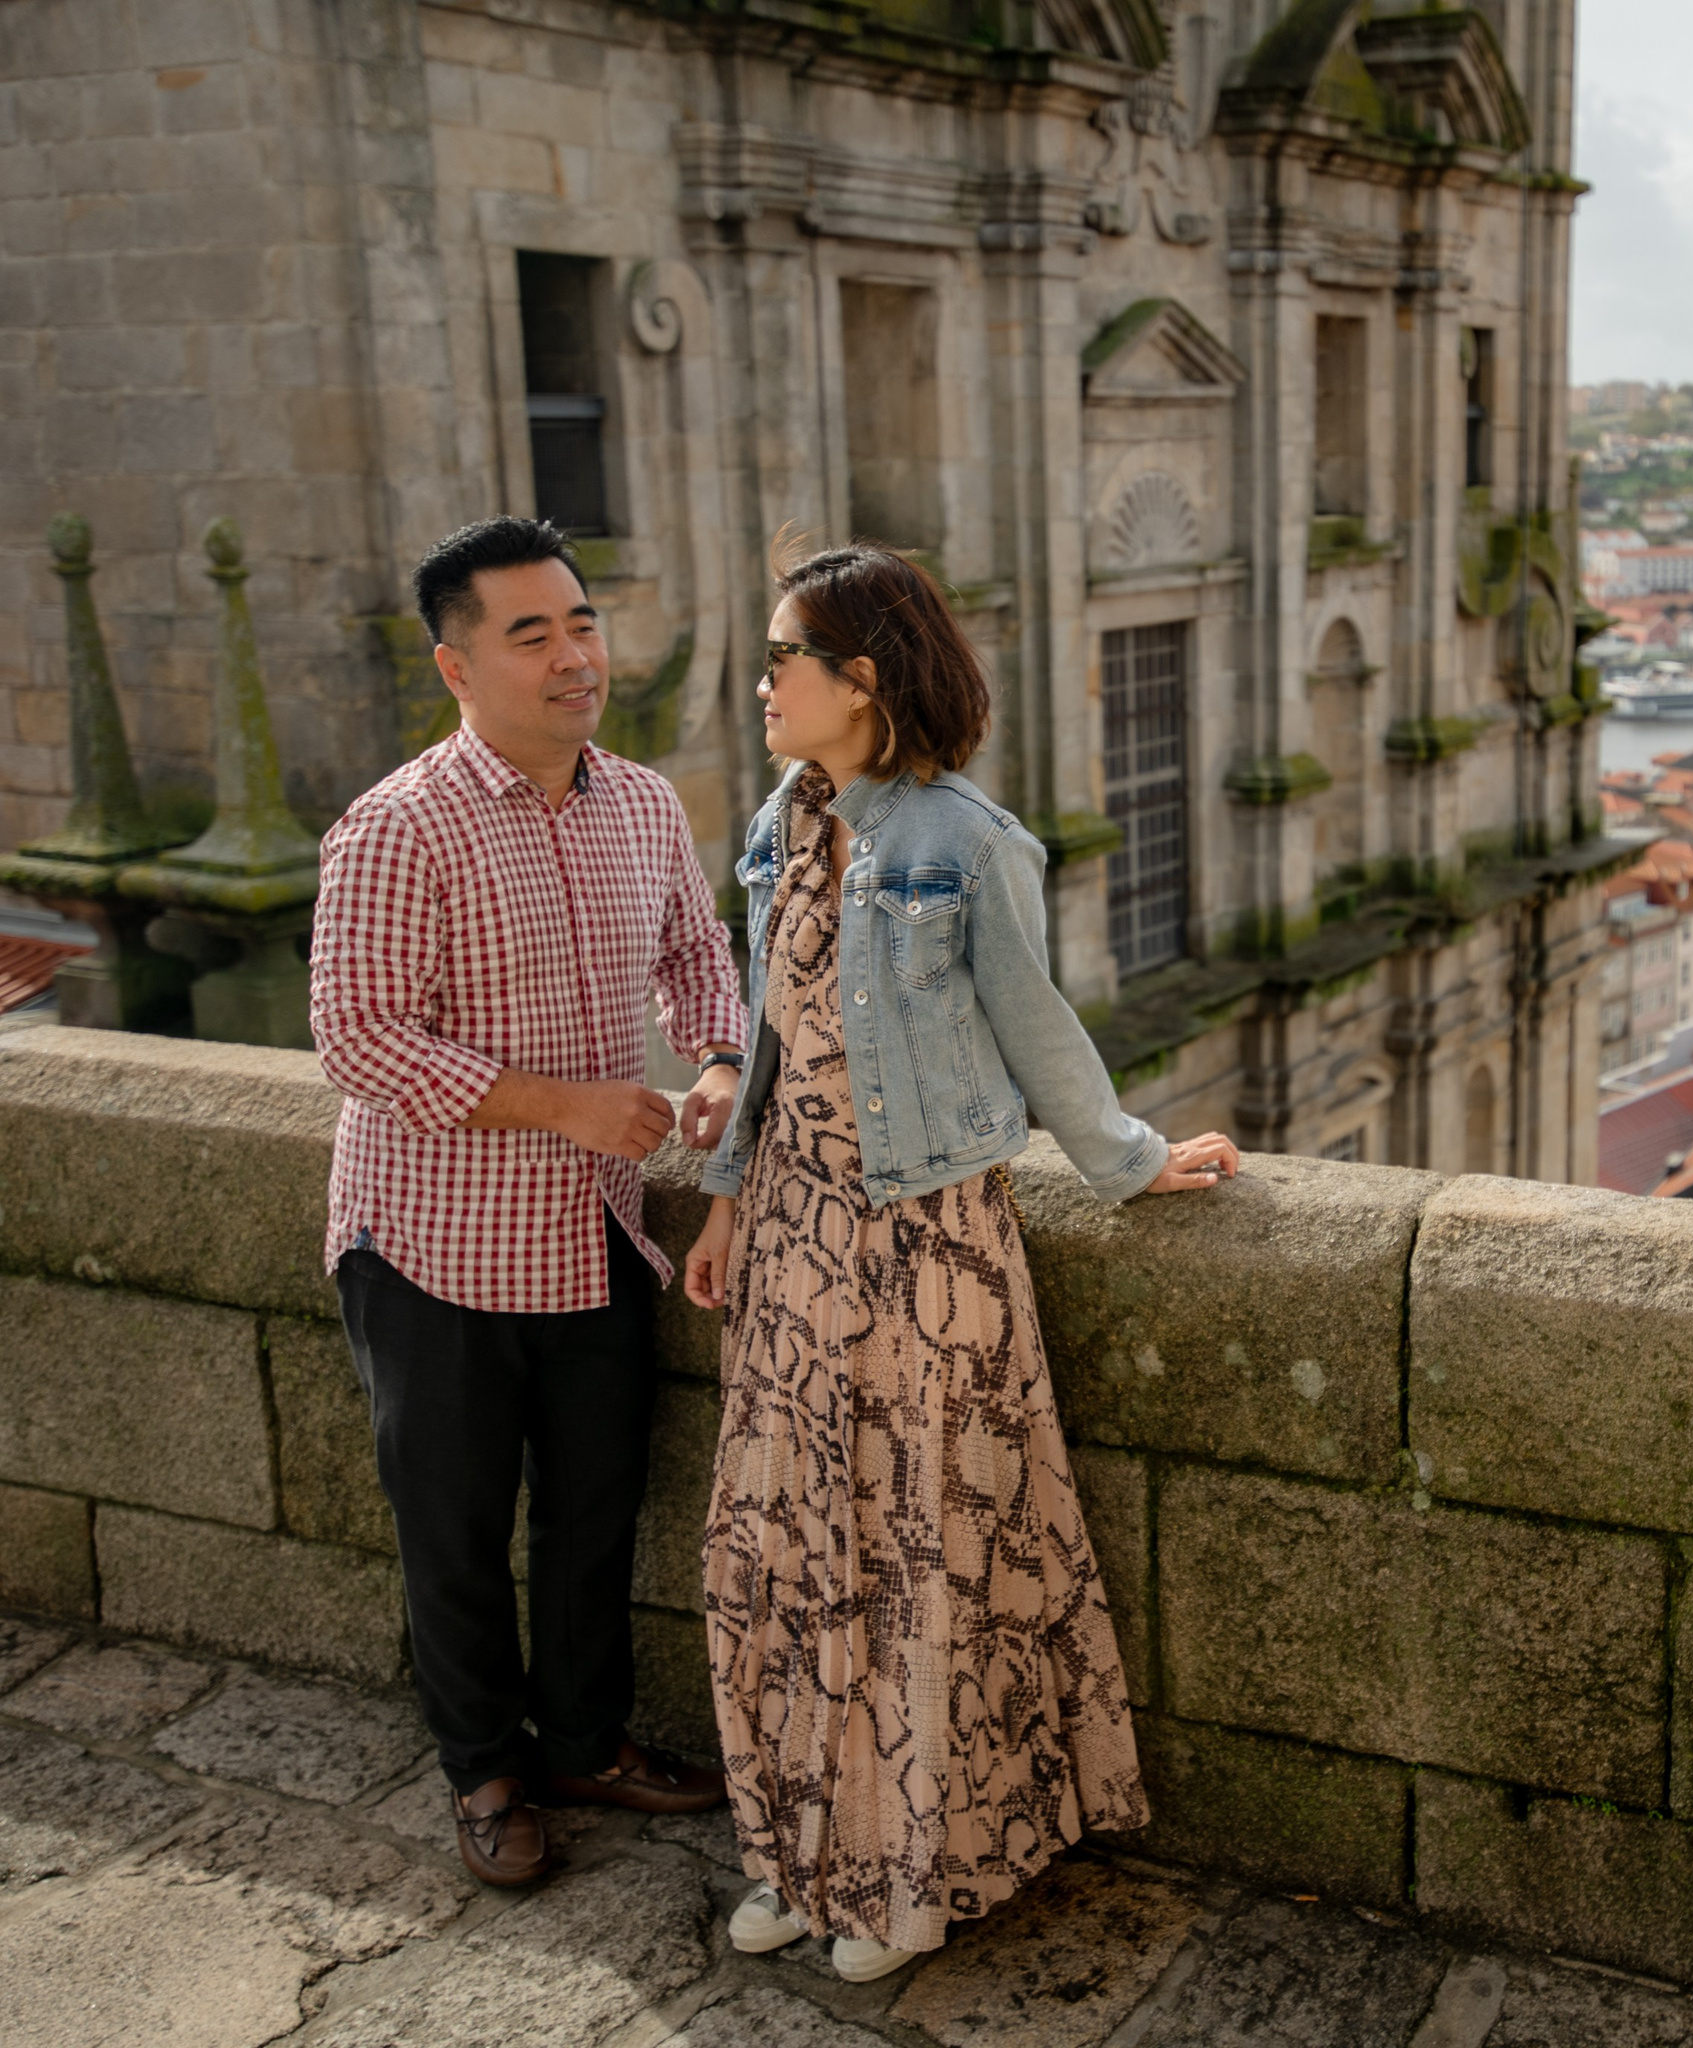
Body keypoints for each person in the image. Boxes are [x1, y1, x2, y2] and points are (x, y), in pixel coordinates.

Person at [682, 540, 1239, 1983]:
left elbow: (1038, 1026)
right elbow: (765, 1038)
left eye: (783, 658)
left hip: (924, 1246)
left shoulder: (966, 842)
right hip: (795, 1239)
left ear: (862, 679)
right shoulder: (782, 825)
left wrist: (1131, 1158)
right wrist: (729, 1199)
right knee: (783, 1554)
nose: (762, 683)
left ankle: (914, 1878)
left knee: (912, 1566)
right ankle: (807, 1852)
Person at [310, 517, 751, 1888]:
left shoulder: (644, 803)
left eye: (582, 624)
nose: (575, 657)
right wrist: (565, 1105)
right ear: (457, 666)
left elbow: (698, 953)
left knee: (593, 1514)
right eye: (532, 635)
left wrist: (720, 1061)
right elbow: (357, 1038)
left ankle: (585, 1742)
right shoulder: (397, 827)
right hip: (430, 1244)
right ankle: (484, 1770)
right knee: (450, 1531)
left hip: (593, 1231)